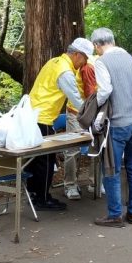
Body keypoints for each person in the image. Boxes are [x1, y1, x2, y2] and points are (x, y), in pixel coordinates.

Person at [26, 38, 94, 210]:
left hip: (31, 114)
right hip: (43, 118)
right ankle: (43, 199)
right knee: (46, 160)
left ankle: (34, 194)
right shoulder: (65, 72)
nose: (84, 63)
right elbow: (77, 100)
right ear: (77, 55)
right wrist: (93, 116)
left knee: (35, 159)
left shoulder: (53, 61)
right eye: (85, 58)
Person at [91, 27, 132, 227]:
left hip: (117, 123)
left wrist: (95, 111)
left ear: (97, 45)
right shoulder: (131, 57)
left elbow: (105, 90)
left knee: (111, 168)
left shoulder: (101, 61)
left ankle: (114, 215)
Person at [64, 49, 96, 200]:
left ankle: (95, 182)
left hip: (94, 111)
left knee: (97, 147)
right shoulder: (86, 67)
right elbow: (90, 92)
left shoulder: (99, 61)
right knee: (72, 150)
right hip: (76, 112)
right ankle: (70, 185)